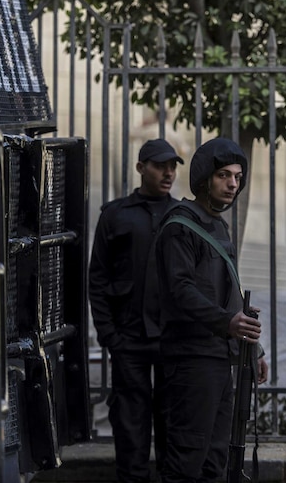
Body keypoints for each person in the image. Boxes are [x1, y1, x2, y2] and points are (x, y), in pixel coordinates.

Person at [154, 137, 269, 483]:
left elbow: (229, 293)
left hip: (219, 358)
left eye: (237, 176)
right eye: (223, 175)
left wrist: (254, 348)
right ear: (205, 178)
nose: (233, 184)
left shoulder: (218, 225)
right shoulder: (180, 225)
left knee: (215, 462)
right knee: (185, 462)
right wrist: (228, 323)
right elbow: (181, 291)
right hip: (190, 360)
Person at [88, 138, 185, 483]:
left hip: (172, 340)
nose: (169, 173)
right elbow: (96, 279)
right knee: (130, 426)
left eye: (173, 166)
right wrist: (110, 335)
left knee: (174, 424)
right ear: (141, 168)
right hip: (129, 339)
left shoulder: (182, 216)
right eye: (161, 166)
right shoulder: (116, 215)